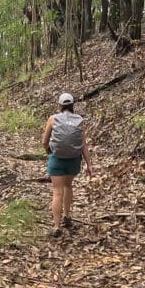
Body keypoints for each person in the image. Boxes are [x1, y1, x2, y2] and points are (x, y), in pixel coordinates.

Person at [41, 92, 93, 237]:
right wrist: (89, 165)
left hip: (56, 159)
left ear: (60, 105)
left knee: (57, 192)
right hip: (73, 161)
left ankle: (57, 226)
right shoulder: (79, 120)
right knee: (68, 186)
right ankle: (67, 216)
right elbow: (83, 145)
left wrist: (48, 151)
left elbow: (44, 141)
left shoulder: (53, 119)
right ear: (72, 105)